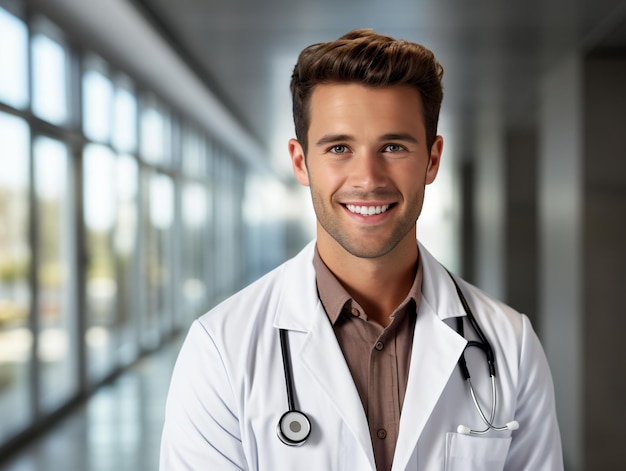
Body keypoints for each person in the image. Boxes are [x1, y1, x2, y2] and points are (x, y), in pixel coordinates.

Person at [159, 29, 563, 470]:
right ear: (300, 162)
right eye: (339, 148)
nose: (368, 178)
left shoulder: (510, 345)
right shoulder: (221, 349)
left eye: (393, 146)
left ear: (431, 159)